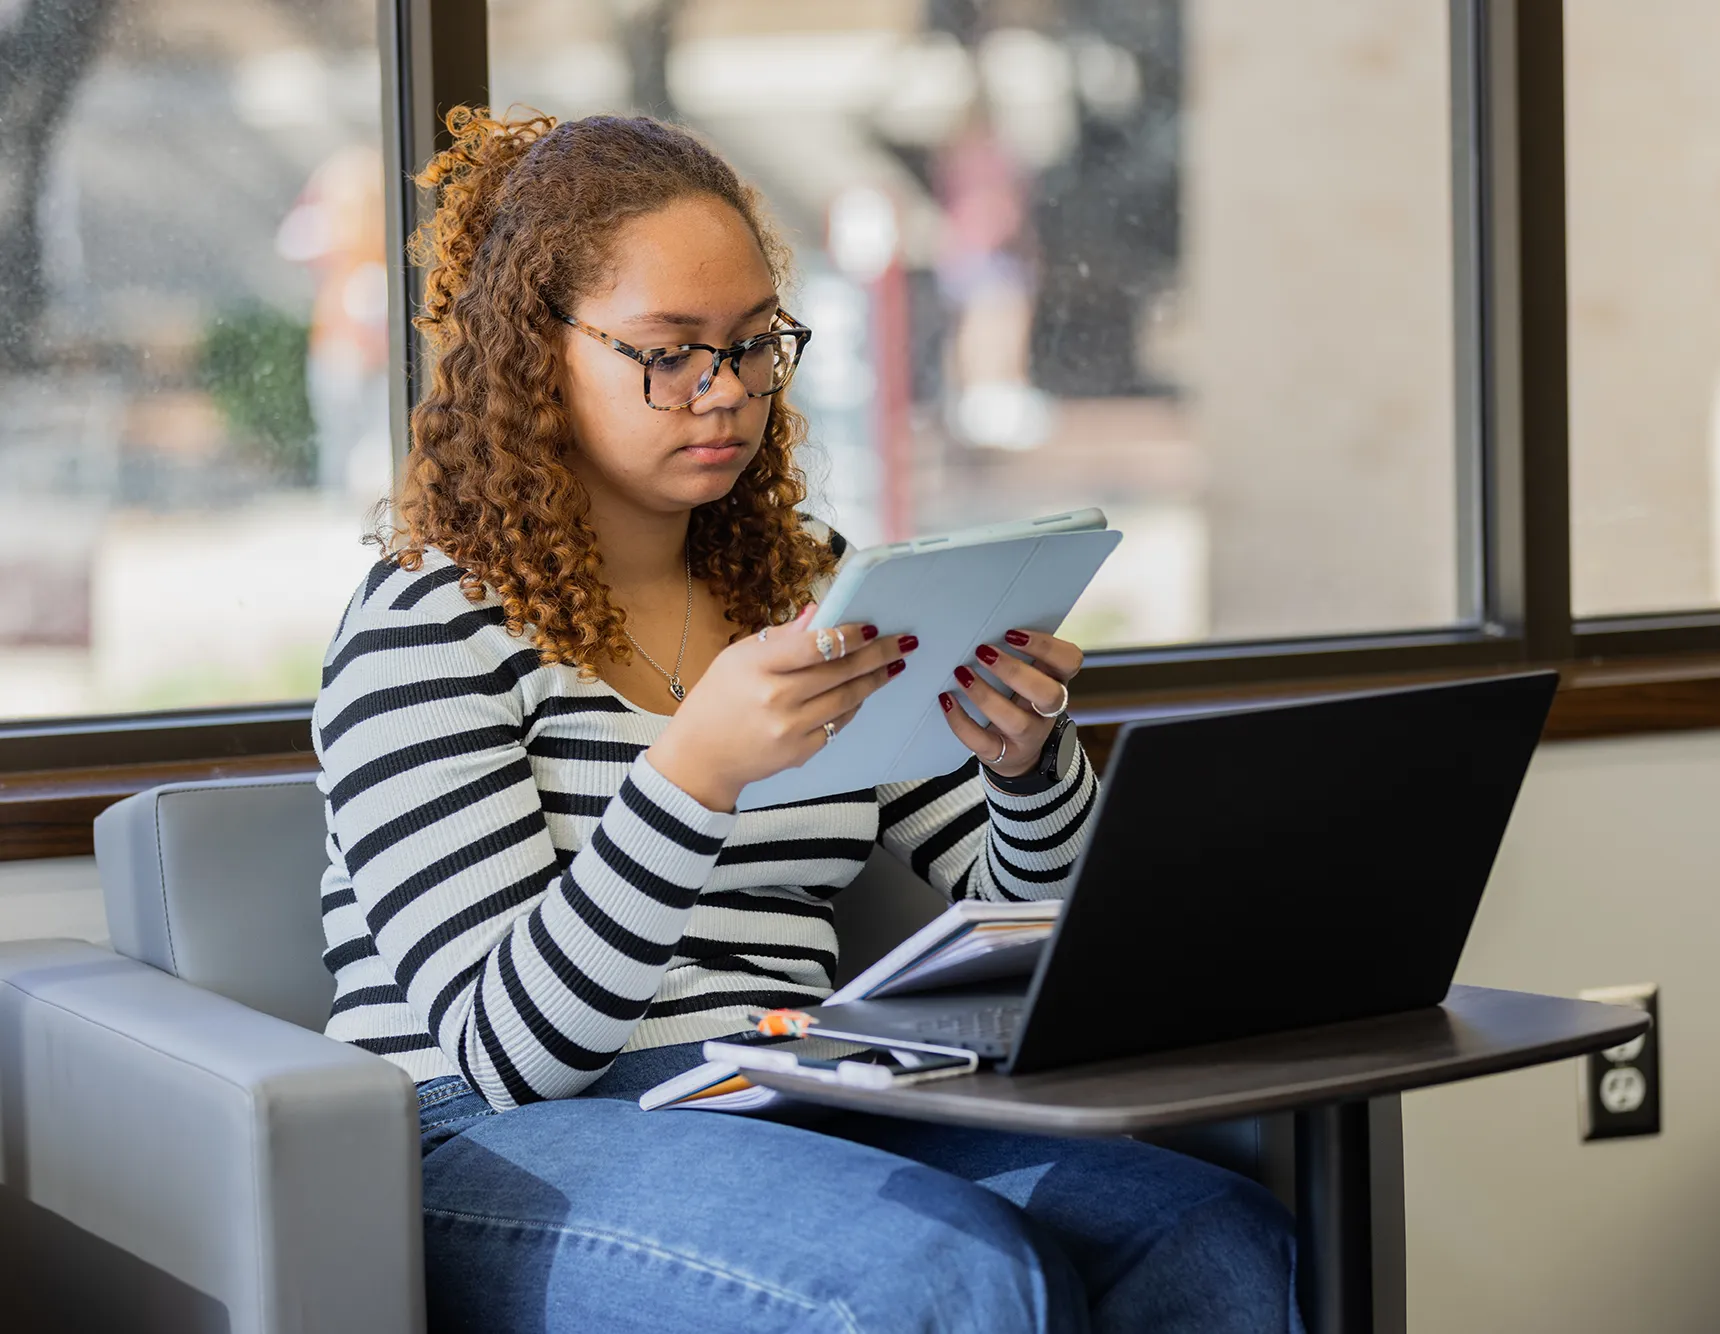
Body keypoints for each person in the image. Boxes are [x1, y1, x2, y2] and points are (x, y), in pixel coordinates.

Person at [313, 106, 1301, 1334]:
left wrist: (1026, 766)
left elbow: (1033, 925)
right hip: (498, 1142)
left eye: (751, 342)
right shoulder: (428, 622)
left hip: (785, 1086)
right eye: (669, 351)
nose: (725, 390)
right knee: (944, 1275)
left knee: (1209, 1233)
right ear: (535, 355)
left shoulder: (804, 590)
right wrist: (692, 775)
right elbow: (512, 1053)